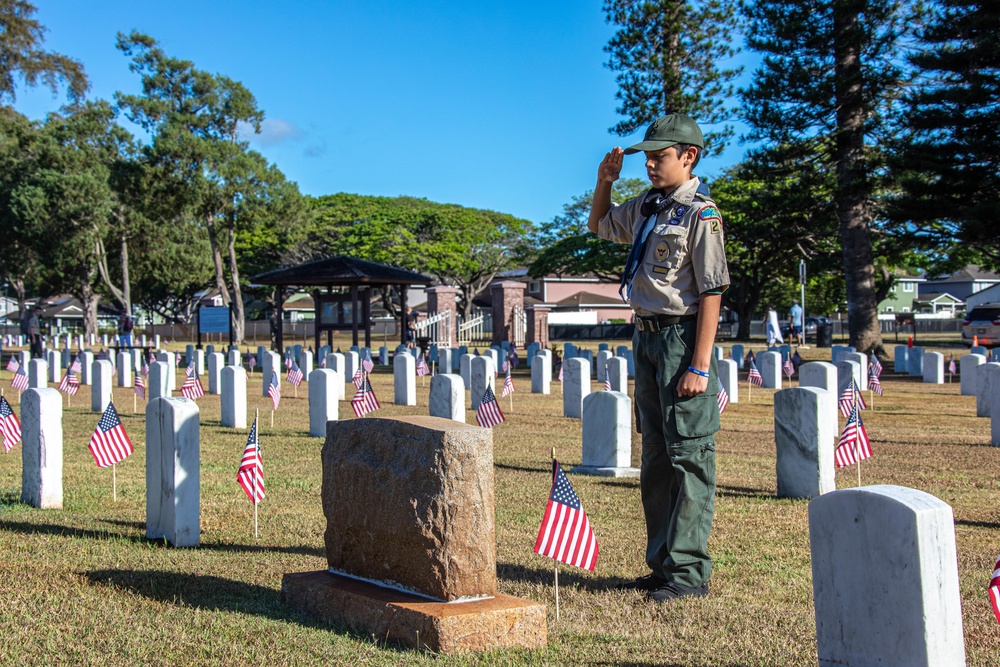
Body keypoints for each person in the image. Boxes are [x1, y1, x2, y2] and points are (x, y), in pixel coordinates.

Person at [587, 113, 729, 602]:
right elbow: (601, 225)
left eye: (660, 155)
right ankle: (662, 563)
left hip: (681, 339)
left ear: (688, 157)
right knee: (656, 458)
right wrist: (604, 182)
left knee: (689, 454)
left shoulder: (699, 213)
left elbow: (711, 291)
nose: (649, 163)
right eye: (646, 155)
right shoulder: (649, 206)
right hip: (646, 338)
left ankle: (688, 574)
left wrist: (699, 365)